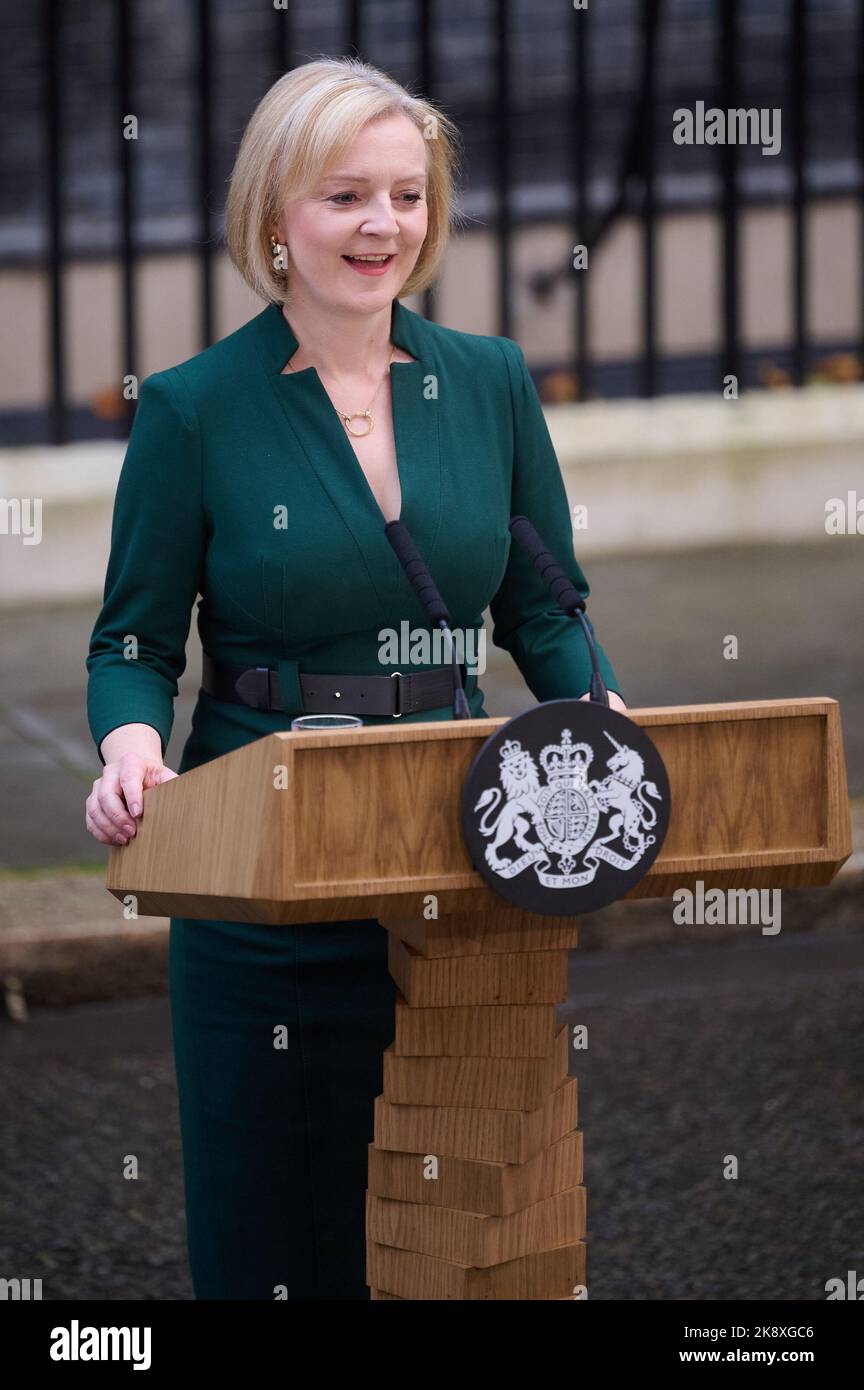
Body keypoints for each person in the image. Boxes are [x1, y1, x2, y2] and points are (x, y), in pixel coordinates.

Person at [84, 55, 627, 1301]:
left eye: (407, 195)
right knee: (278, 1209)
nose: (384, 226)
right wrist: (127, 744)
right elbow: (134, 642)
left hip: (457, 838)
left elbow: (545, 604)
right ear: (275, 214)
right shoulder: (193, 410)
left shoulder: (488, 380)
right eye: (345, 197)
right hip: (262, 856)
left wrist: (599, 711)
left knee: (468, 1204)